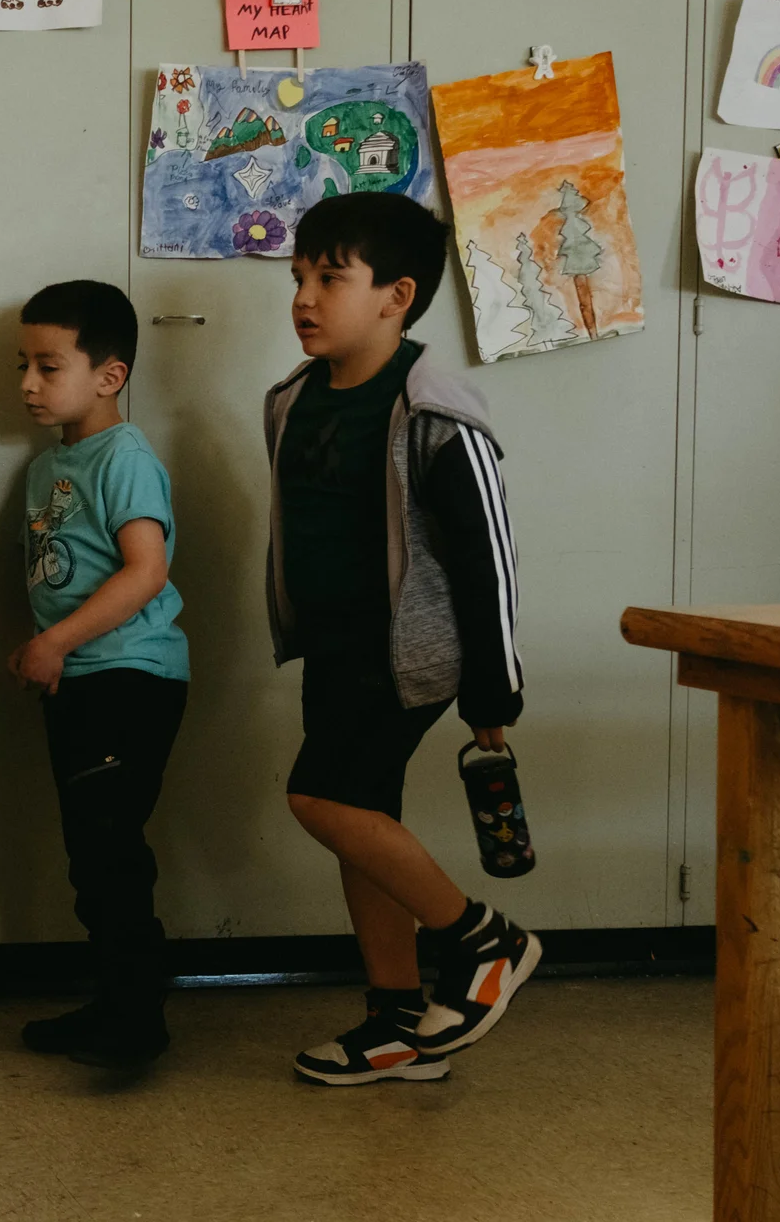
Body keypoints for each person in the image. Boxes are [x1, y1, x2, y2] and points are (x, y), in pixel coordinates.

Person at [270, 193, 540, 1086]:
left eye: (331, 278)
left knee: (320, 799)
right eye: (300, 276)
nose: (305, 296)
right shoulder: (294, 402)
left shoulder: (434, 411)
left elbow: (487, 560)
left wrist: (492, 697)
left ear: (397, 294)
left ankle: (480, 940)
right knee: (363, 824)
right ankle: (397, 1021)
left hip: (410, 657)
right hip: (336, 650)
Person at [7, 281, 190, 1069]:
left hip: (128, 678)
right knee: (92, 852)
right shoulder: (52, 463)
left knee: (111, 850)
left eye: (49, 366)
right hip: (82, 681)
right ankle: (114, 1002)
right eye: (24, 365)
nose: (27, 383)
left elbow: (146, 571)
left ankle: (138, 1021)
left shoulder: (124, 455)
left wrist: (56, 643)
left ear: (109, 376)